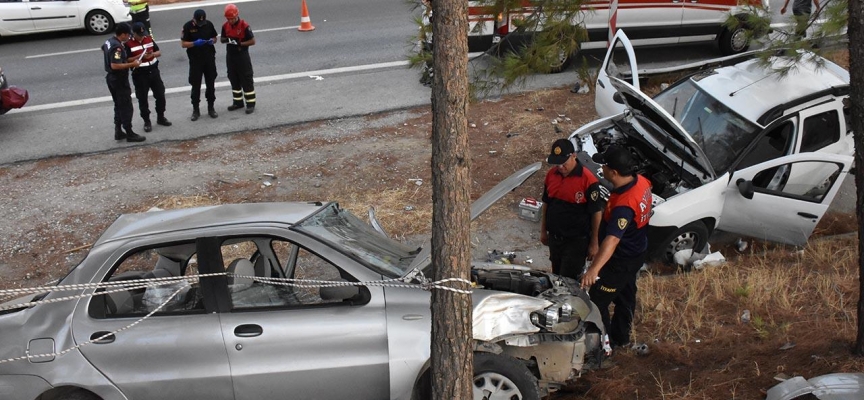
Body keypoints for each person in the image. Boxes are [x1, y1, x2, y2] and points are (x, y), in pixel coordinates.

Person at [580, 145, 652, 351]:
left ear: (614, 172)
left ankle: (605, 345)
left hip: (621, 260)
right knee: (627, 298)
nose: (601, 167)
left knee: (596, 302)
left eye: (604, 165)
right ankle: (622, 338)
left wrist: (594, 270)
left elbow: (612, 240)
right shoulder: (641, 182)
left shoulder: (624, 206)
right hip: (636, 252)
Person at [540, 138, 606, 280]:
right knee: (555, 275)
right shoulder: (551, 175)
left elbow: (596, 213)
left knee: (569, 280)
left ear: (573, 156)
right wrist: (543, 230)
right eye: (557, 164)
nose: (560, 167)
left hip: (576, 241)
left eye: (564, 163)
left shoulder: (588, 180)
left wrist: (595, 243)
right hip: (555, 238)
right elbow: (546, 203)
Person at [101, 23, 145, 143]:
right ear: (123, 34)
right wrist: (132, 64)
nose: (129, 37)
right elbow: (115, 65)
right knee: (126, 106)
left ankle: (118, 131)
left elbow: (103, 49)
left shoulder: (109, 41)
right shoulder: (117, 47)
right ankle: (129, 133)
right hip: (119, 80)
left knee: (118, 105)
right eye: (128, 35)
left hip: (111, 79)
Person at [125, 22, 171, 133]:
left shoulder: (148, 39)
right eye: (140, 35)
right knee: (143, 99)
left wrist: (153, 54)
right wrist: (139, 56)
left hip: (154, 71)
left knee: (160, 95)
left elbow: (158, 52)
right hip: (140, 73)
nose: (142, 37)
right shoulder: (128, 44)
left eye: (143, 34)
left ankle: (161, 117)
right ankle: (147, 121)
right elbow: (127, 59)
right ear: (134, 33)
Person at [181, 9, 219, 121]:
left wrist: (212, 40)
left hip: (209, 59)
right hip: (195, 61)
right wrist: (194, 43)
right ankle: (196, 110)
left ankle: (211, 107)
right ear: (194, 19)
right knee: (195, 85)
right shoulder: (188, 26)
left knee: (210, 84)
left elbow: (215, 37)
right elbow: (183, 44)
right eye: (199, 21)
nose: (201, 23)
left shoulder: (208, 24)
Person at [221, 4, 257, 114]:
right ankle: (238, 102)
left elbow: (252, 41)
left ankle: (250, 103)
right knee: (233, 78)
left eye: (232, 19)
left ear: (236, 16)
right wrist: (227, 40)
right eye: (228, 19)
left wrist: (240, 43)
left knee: (246, 78)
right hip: (231, 56)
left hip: (242, 56)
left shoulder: (244, 26)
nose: (230, 21)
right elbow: (222, 39)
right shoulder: (225, 26)